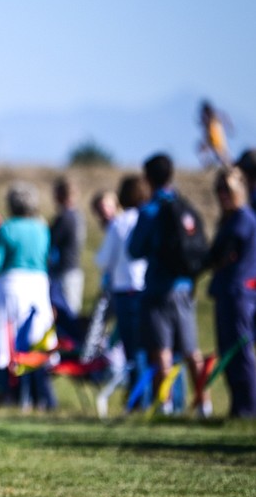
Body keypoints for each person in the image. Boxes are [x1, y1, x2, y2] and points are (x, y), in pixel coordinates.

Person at [128, 152, 209, 416]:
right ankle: (204, 403)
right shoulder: (184, 205)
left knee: (162, 350)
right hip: (184, 287)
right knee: (191, 350)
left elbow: (135, 249)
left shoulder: (151, 210)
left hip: (158, 288)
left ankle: (165, 404)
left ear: (148, 178)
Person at [0, 182, 56, 411]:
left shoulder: (7, 228)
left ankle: (13, 393)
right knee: (37, 339)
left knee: (10, 340)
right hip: (38, 284)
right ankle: (42, 395)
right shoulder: (42, 228)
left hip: (11, 285)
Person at [94, 175, 149, 412]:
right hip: (150, 289)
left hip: (126, 291)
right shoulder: (150, 219)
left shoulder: (121, 223)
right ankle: (162, 401)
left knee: (133, 350)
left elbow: (104, 259)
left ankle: (137, 401)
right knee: (152, 348)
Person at [205, 168, 256, 418]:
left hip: (238, 294)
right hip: (227, 292)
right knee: (228, 353)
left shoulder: (243, 219)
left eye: (228, 189)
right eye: (219, 189)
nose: (223, 195)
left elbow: (224, 255)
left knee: (239, 352)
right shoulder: (230, 219)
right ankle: (239, 407)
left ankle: (248, 407)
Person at [48, 176, 86, 317]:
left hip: (65, 271)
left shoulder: (64, 217)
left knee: (67, 314)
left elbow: (51, 241)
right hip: (73, 269)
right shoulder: (77, 215)